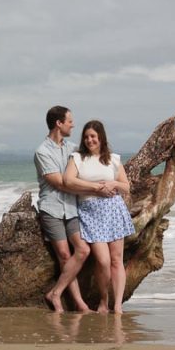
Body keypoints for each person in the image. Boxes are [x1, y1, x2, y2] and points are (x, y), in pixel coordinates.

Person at [35, 106, 114, 314]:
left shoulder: (72, 149)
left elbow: (93, 163)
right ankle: (78, 303)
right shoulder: (42, 152)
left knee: (83, 250)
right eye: (69, 121)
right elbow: (62, 183)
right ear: (59, 124)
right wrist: (97, 188)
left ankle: (55, 292)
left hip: (72, 208)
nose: (73, 124)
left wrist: (112, 180)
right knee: (63, 254)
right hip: (51, 208)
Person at [64, 120, 135, 314]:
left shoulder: (113, 159)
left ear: (101, 137)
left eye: (93, 136)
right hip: (90, 212)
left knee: (116, 259)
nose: (89, 140)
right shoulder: (78, 158)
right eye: (86, 137)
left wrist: (113, 184)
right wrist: (95, 188)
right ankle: (104, 300)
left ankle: (117, 305)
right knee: (102, 260)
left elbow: (126, 187)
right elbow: (68, 180)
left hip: (113, 210)